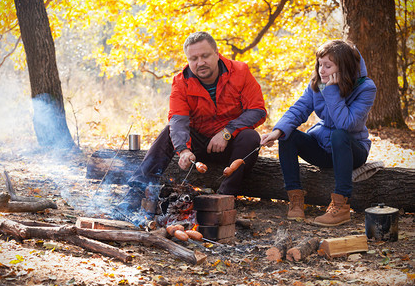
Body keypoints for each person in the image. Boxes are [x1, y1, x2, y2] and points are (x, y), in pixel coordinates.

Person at [117, 31, 267, 213]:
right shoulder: (181, 82)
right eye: (193, 58)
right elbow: (178, 119)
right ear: (188, 60)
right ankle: (136, 192)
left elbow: (257, 110)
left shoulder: (240, 72)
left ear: (217, 53)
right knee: (167, 132)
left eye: (205, 56)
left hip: (230, 146)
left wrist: (227, 132)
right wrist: (183, 149)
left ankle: (224, 197)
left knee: (251, 137)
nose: (200, 63)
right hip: (198, 145)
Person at [260, 39, 376, 226]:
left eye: (328, 66)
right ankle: (295, 199)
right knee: (287, 135)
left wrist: (331, 90)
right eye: (320, 64)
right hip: (324, 148)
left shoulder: (366, 88)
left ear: (343, 67)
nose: (321, 70)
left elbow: (345, 124)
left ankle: (341, 205)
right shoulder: (317, 83)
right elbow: (299, 109)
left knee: (338, 134)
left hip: (352, 150)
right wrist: (277, 131)